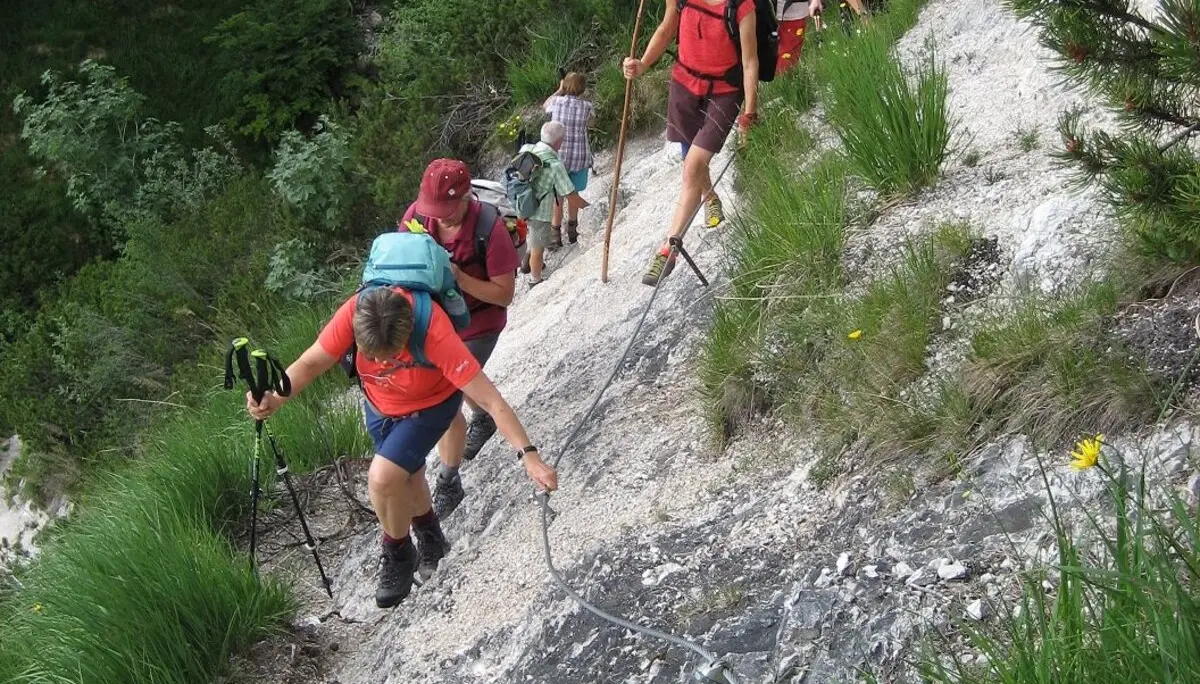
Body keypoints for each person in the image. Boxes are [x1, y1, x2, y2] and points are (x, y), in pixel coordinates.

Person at [245, 286, 558, 609]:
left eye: (390, 355)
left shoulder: (433, 331)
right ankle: (431, 536)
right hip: (380, 404)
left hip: (432, 405)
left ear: (408, 333)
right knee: (407, 475)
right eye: (373, 355)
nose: (381, 361)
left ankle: (398, 551)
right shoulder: (354, 315)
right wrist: (275, 397)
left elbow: (490, 400)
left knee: (382, 477)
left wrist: (529, 455)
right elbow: (311, 363)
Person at [399, 159, 519, 520]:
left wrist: (458, 278)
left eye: (448, 211)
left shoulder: (489, 228)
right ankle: (482, 415)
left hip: (480, 321)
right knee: (454, 384)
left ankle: (449, 479)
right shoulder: (416, 220)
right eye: (435, 210)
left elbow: (504, 294)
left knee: (453, 385)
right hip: (438, 321)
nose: (441, 218)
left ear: (466, 197)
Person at [623, 0, 760, 287]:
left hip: (725, 92)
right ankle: (710, 197)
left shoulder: (742, 6)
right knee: (690, 159)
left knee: (693, 165)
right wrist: (643, 63)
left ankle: (669, 248)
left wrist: (749, 114)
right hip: (685, 87)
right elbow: (666, 29)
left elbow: (750, 63)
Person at [518, 121, 581, 287]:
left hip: (520, 203)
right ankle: (535, 279)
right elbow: (568, 192)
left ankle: (525, 264)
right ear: (559, 142)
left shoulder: (526, 149)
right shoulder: (555, 165)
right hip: (539, 210)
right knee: (538, 247)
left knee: (531, 234)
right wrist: (585, 205)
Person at [543, 72, 595, 246]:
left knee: (558, 196)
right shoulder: (587, 106)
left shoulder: (556, 102)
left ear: (565, 85)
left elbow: (545, 106)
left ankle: (555, 234)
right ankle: (572, 230)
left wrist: (559, 90)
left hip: (559, 157)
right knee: (574, 192)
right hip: (580, 156)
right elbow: (592, 123)